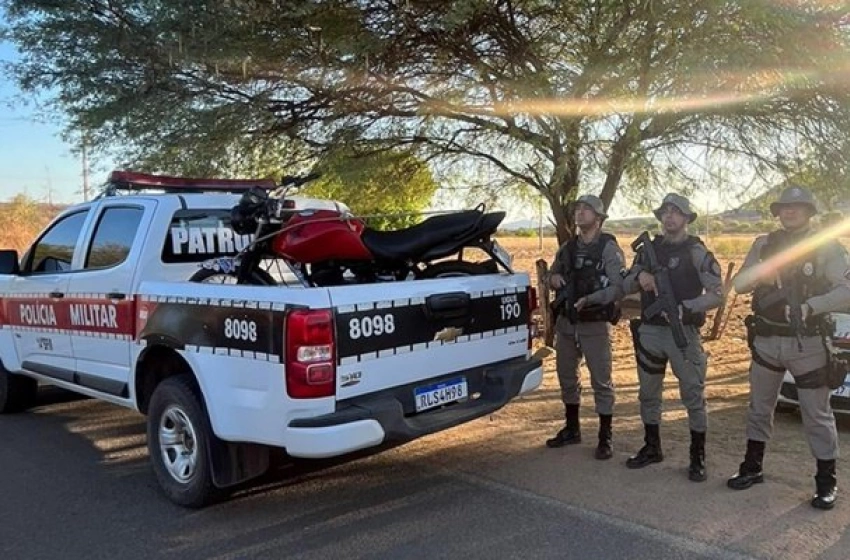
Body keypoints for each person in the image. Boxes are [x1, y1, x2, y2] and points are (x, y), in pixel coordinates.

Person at [727, 185, 850, 510]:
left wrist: (812, 305)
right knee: (759, 408)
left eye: (797, 206)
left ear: (810, 212)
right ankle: (752, 468)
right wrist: (761, 274)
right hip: (767, 341)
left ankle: (826, 483)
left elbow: (847, 288)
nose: (789, 211)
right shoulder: (764, 244)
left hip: (807, 342)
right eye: (784, 206)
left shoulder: (826, 248)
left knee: (817, 414)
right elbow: (739, 284)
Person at [622, 193, 723, 481]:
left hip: (683, 334)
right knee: (648, 393)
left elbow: (718, 295)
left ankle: (697, 457)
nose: (669, 217)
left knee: (693, 394)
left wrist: (685, 307)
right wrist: (640, 276)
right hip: (651, 331)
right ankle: (652, 447)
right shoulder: (647, 250)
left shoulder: (696, 251)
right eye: (665, 212)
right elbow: (625, 281)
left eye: (676, 212)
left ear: (687, 218)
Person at [545, 194, 625, 460]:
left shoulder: (609, 248)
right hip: (567, 322)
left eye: (586, 209)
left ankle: (605, 437)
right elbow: (550, 275)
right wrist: (553, 278)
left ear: (599, 218)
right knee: (566, 375)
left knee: (601, 380)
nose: (580, 213)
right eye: (578, 208)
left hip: (594, 323)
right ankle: (572, 428)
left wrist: (592, 299)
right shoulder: (567, 248)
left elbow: (618, 286)